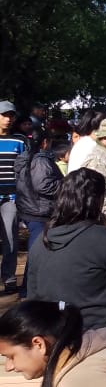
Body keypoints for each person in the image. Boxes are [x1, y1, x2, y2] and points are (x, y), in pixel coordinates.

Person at [27, 169, 106, 334]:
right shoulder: (104, 238)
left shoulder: (41, 240)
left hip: (54, 330)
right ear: (98, 200)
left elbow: (33, 292)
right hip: (101, 331)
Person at [15, 135, 69, 297]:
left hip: (31, 209)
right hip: (39, 211)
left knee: (38, 251)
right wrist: (66, 184)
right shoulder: (41, 160)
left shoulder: (28, 158)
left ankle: (31, 290)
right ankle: (29, 291)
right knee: (37, 252)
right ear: (45, 142)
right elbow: (43, 185)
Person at [0, 100, 28, 293]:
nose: (8, 119)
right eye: (4, 115)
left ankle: (9, 278)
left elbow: (24, 170)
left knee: (10, 237)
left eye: (10, 115)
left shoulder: (19, 141)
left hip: (10, 197)